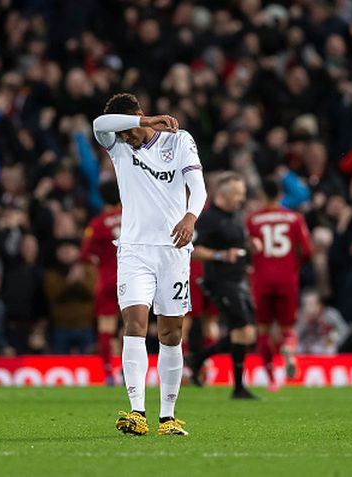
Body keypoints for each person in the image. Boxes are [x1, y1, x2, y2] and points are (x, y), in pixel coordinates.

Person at [93, 93, 207, 437]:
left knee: (172, 333)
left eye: (131, 128)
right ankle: (136, 412)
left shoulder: (179, 140)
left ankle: (167, 417)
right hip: (133, 251)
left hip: (172, 250)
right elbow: (100, 124)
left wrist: (190, 215)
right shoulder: (118, 145)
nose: (126, 138)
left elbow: (197, 187)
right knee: (135, 324)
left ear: (138, 113)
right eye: (125, 130)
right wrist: (142, 123)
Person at [190, 172, 258, 399]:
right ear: (222, 195)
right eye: (238, 194)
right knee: (243, 330)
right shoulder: (209, 219)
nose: (242, 198)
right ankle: (238, 388)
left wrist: (250, 246)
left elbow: (238, 245)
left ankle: (200, 358)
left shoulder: (235, 216)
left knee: (246, 333)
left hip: (238, 280)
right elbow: (194, 250)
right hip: (220, 281)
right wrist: (220, 255)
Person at [246, 176, 312, 391]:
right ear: (281, 195)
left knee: (263, 330)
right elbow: (308, 250)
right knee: (288, 328)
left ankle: (272, 380)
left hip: (262, 279)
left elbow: (246, 250)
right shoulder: (294, 218)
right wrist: (293, 266)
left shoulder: (252, 220)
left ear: (262, 196)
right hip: (287, 279)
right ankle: (288, 349)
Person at [77, 180, 122, 384]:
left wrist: (99, 263)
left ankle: (107, 372)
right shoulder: (134, 217)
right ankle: (128, 370)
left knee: (106, 327)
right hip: (133, 280)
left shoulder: (97, 223)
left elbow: (85, 254)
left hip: (107, 280)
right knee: (134, 326)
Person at [296, 289, 349, 355]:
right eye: (306, 304)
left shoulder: (330, 314)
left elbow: (343, 329)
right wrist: (303, 323)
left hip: (325, 354)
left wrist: (331, 339)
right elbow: (293, 336)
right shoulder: (299, 316)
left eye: (312, 304)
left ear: (320, 304)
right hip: (304, 354)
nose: (309, 308)